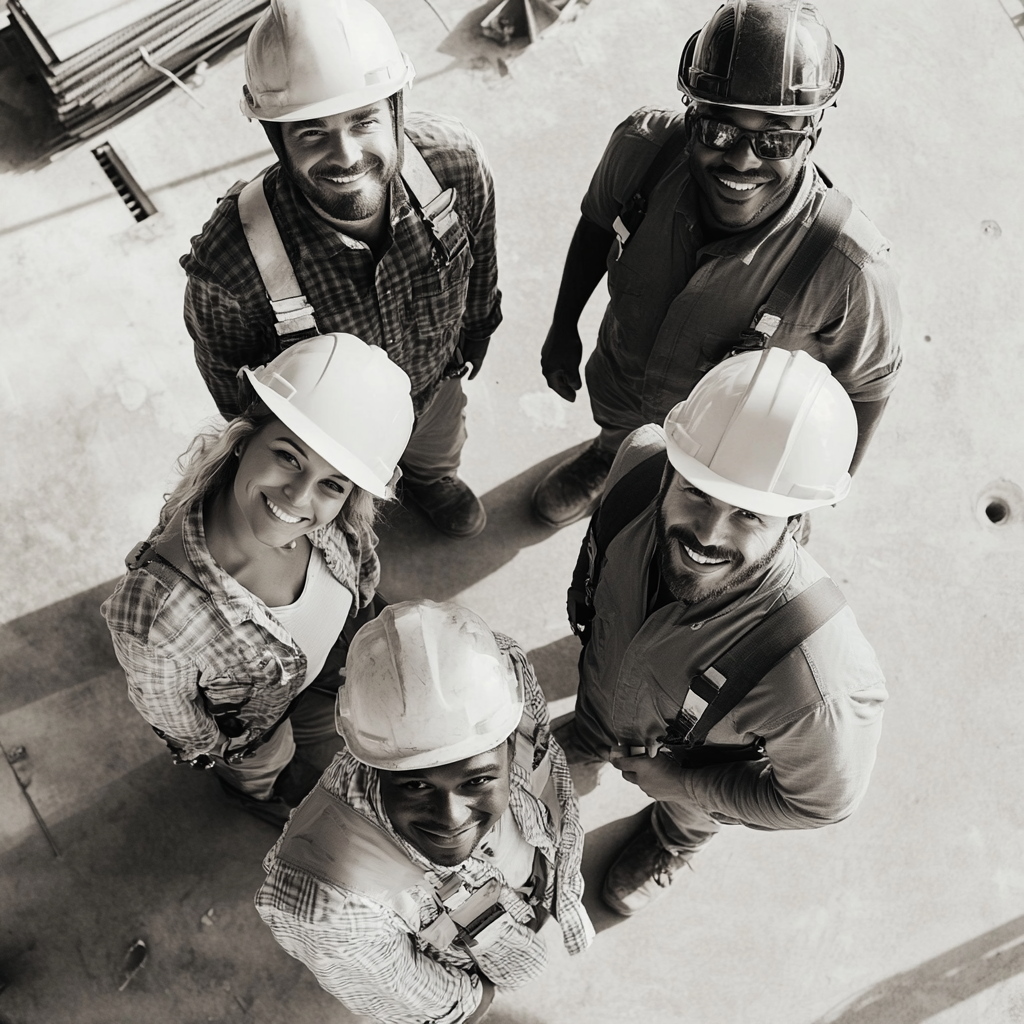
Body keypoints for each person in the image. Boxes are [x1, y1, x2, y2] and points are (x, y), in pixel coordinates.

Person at [532, 0, 902, 528]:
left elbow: (868, 385)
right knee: (618, 430)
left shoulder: (849, 267)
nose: (743, 160)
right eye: (719, 131)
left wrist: (804, 498)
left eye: (776, 138)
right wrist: (562, 325)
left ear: (813, 136)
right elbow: (596, 225)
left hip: (727, 458)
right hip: (622, 381)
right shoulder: (642, 154)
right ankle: (609, 457)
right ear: (691, 114)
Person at [557, 348, 888, 916]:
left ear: (796, 521)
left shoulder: (816, 682)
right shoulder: (639, 467)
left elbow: (818, 804)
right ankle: (588, 742)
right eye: (697, 493)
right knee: (575, 737)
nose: (706, 534)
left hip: (694, 772)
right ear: (672, 468)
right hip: (602, 692)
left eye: (748, 515)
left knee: (690, 816)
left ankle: (672, 840)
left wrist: (683, 787)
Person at [181, 0, 502, 539]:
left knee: (437, 446)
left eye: (364, 120)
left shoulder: (453, 166)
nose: (346, 154)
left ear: (396, 108)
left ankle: (430, 478)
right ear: (275, 140)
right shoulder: (232, 263)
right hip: (320, 449)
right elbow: (237, 395)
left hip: (434, 384)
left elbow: (483, 257)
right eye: (311, 133)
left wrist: (479, 327)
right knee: (335, 535)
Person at [102, 333, 414, 824]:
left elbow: (360, 571)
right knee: (268, 772)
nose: (297, 496)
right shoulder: (156, 613)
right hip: (258, 731)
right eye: (288, 456)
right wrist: (239, 756)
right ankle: (260, 795)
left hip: (323, 670)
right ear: (244, 439)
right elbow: (183, 723)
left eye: (332, 483)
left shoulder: (340, 517)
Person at [255, 600, 593, 1023]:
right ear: (371, 764)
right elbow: (407, 993)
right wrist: (478, 1000)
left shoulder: (497, 673)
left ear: (507, 744)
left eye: (478, 781)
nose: (451, 819)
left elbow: (546, 761)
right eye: (416, 785)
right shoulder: (329, 902)